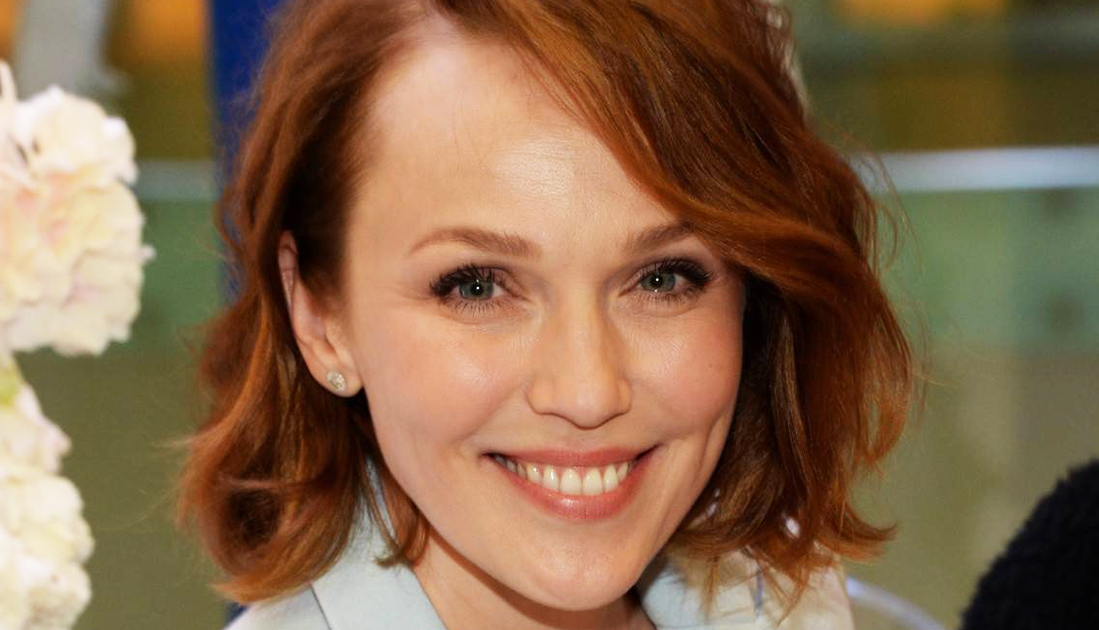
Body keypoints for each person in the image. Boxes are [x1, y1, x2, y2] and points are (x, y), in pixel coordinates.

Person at [178, 0, 914, 628]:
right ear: (319, 317)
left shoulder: (786, 605)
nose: (588, 392)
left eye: (662, 278)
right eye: (477, 287)